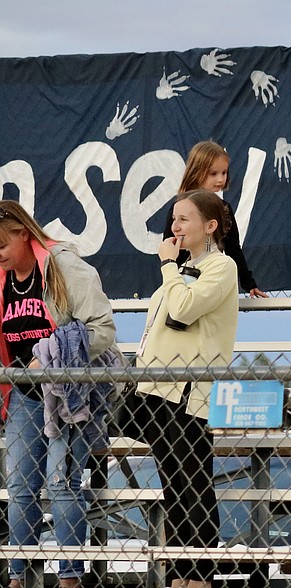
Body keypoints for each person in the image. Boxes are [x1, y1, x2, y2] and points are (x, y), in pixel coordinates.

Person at [0, 200, 118, 588]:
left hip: (69, 393)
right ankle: (18, 576)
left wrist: (53, 355)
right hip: (23, 393)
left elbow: (102, 327)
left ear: (22, 233)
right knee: (19, 486)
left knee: (60, 481)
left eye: (1, 246)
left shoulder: (61, 265)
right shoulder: (0, 277)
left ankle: (70, 579)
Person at [134, 189, 239, 588]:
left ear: (209, 226)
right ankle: (180, 571)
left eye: (184, 219)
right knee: (172, 487)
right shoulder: (180, 270)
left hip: (188, 393)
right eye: (173, 219)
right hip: (158, 389)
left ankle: (199, 573)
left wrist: (167, 266)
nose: (175, 227)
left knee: (193, 483)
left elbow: (183, 309)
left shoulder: (221, 267)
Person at [164, 140, 268, 297]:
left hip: (211, 278)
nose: (220, 179)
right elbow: (170, 243)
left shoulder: (223, 209)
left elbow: (233, 248)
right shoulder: (179, 207)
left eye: (224, 173)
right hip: (181, 280)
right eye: (213, 174)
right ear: (196, 172)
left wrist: (248, 283)